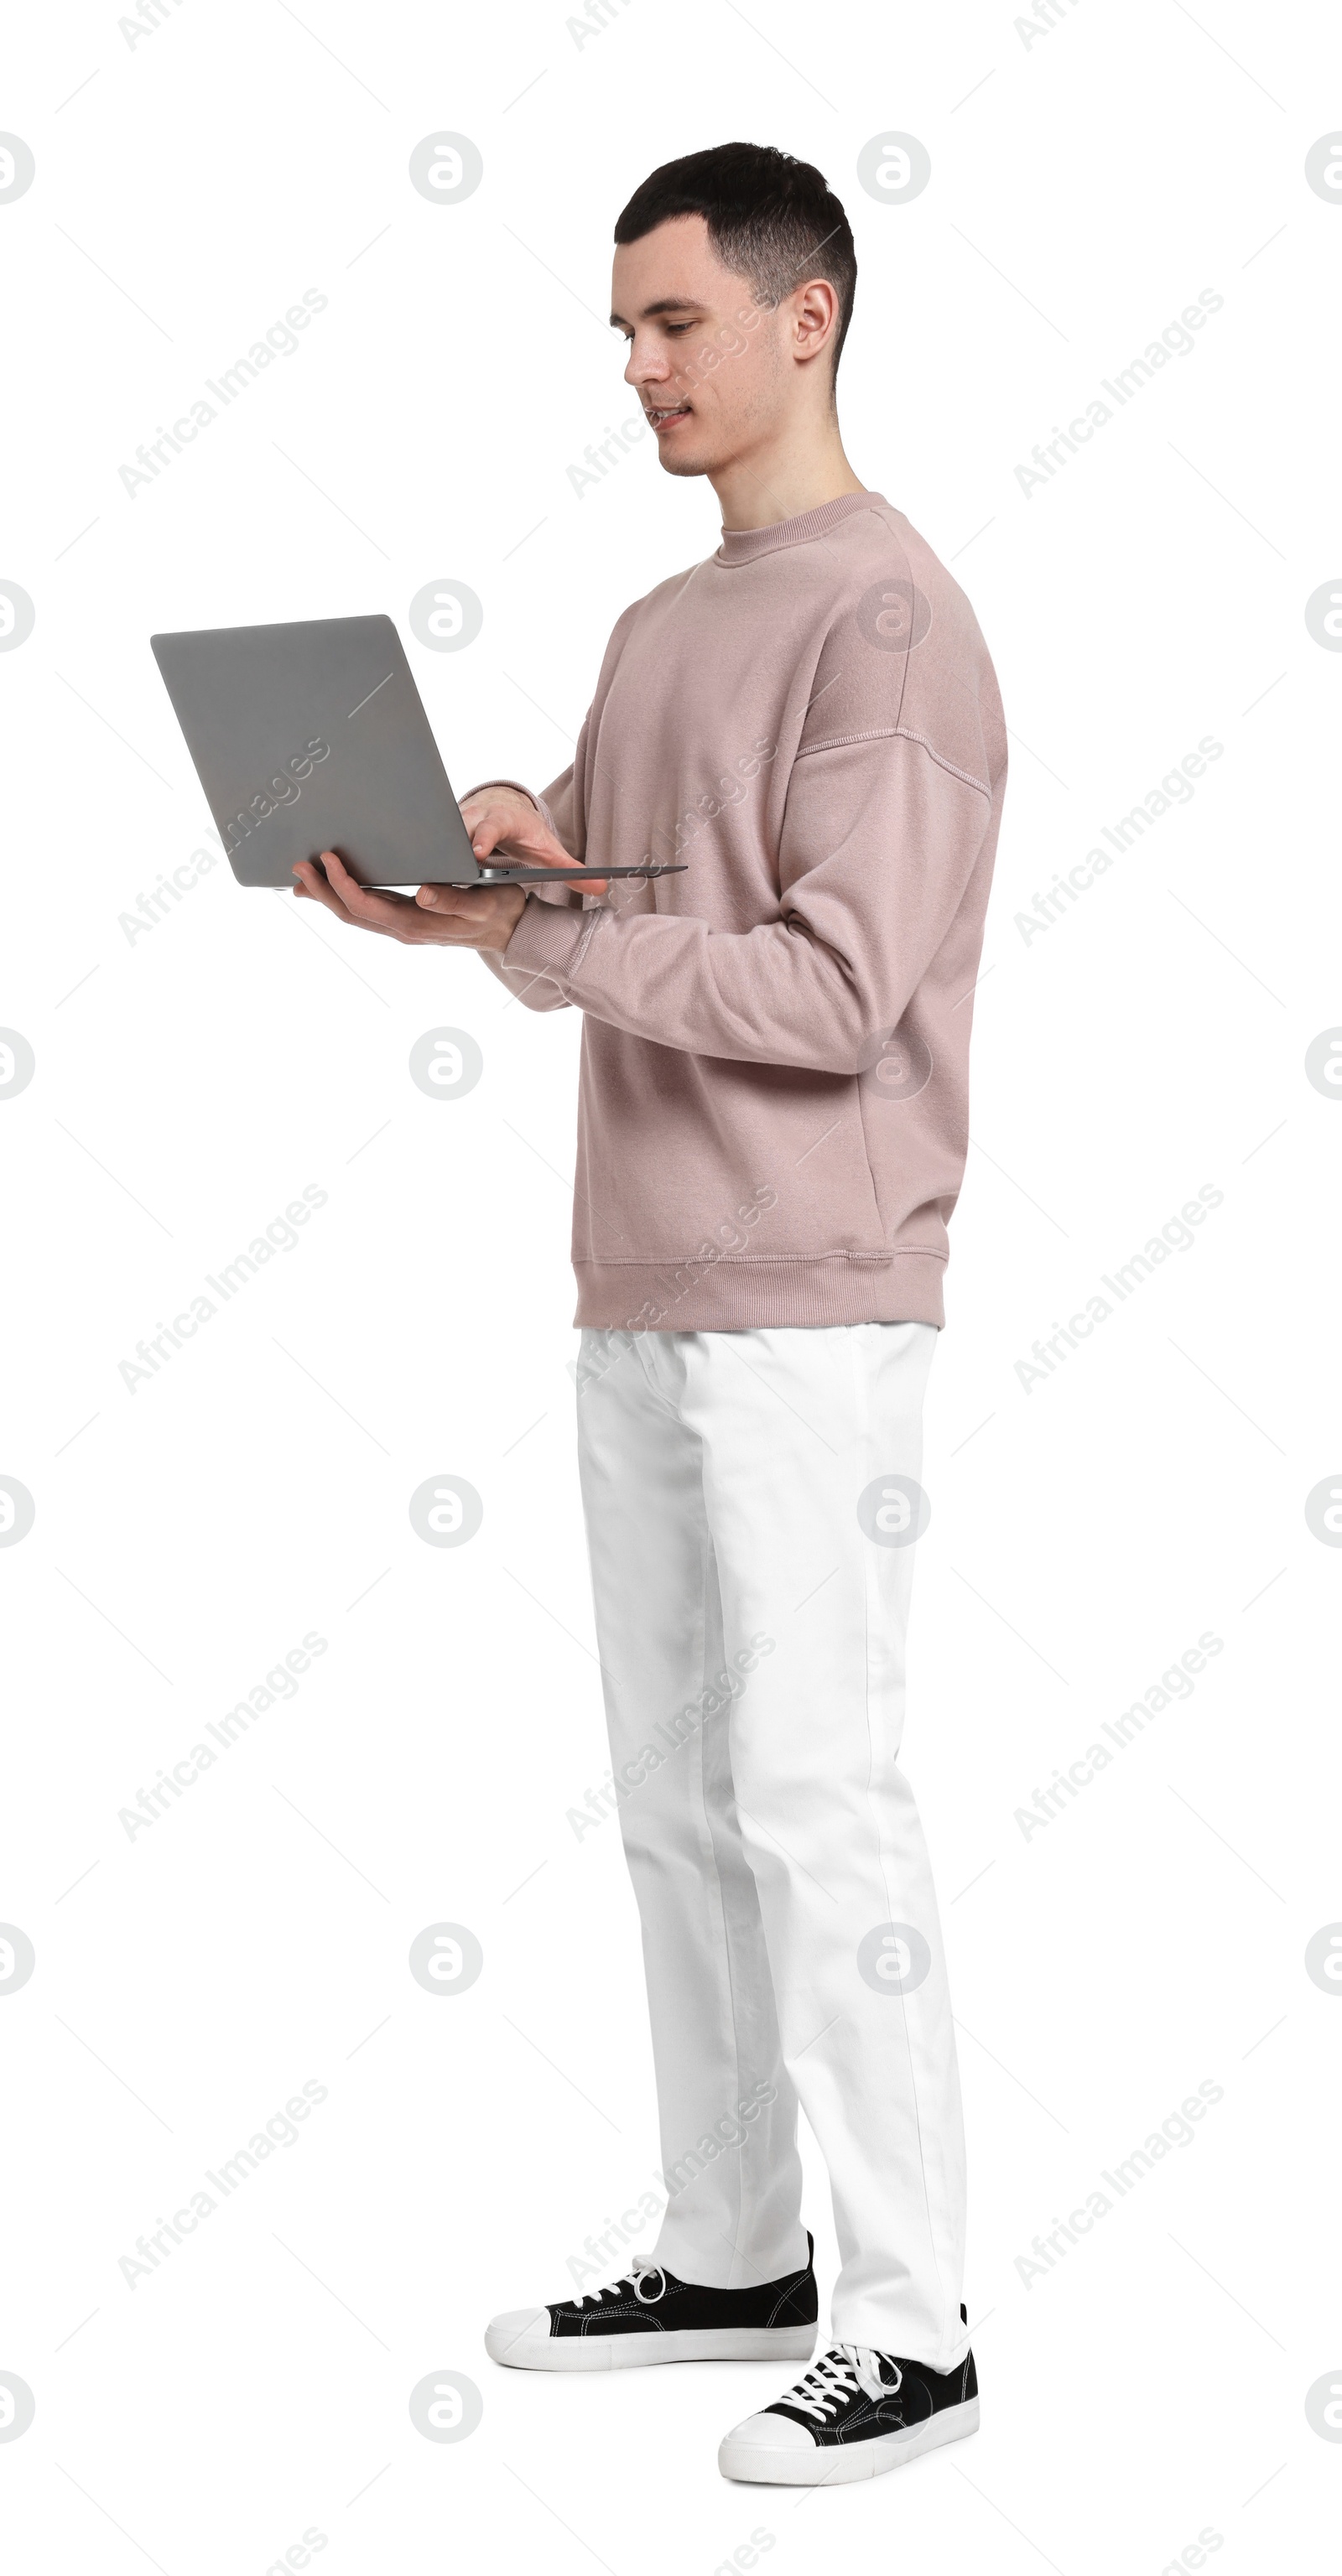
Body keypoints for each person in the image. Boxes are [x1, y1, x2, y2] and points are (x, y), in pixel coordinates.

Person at [294, 139, 1006, 2490]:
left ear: (809, 317)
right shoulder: (658, 625)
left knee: (819, 1799)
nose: (638, 367)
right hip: (638, 1278)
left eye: (674, 322)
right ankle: (735, 2250)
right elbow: (615, 892)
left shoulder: (887, 619)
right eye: (622, 329)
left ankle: (914, 2323)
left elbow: (828, 985)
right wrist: (479, 869)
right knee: (687, 1807)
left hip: (816, 1294)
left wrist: (556, 936)